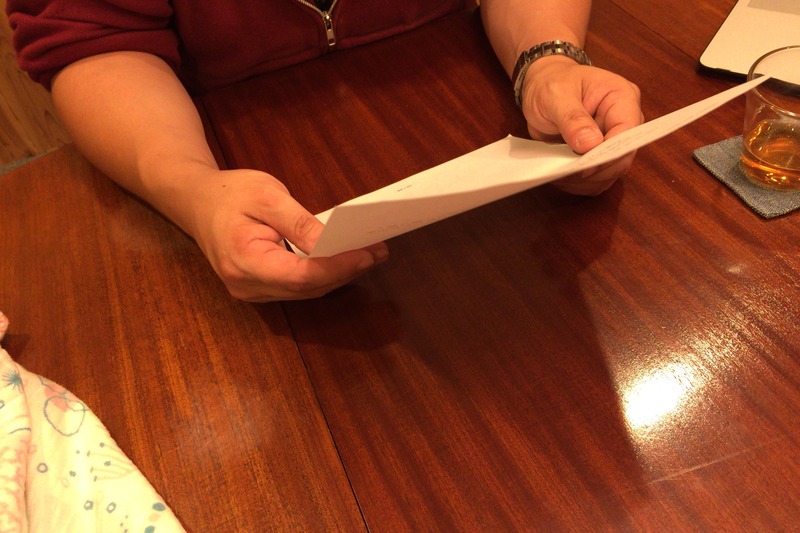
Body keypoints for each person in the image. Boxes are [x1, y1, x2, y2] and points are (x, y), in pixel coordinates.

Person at [8, 0, 642, 302]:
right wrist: (191, 187)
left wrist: (548, 60)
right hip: (229, 140)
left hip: (469, 113)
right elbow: (92, 37)